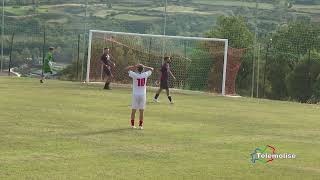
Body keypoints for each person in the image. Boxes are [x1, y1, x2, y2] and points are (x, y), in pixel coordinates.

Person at [126, 64, 154, 130]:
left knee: (133, 110)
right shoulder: (145, 74)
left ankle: (132, 125)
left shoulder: (134, 75)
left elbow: (127, 69)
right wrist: (145, 66)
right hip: (143, 95)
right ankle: (140, 125)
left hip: (135, 94)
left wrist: (134, 66)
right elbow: (152, 69)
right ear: (143, 69)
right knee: (141, 111)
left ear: (137, 69)